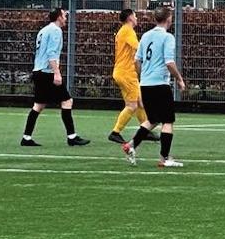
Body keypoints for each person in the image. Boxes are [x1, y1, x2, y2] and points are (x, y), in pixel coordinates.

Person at [122, 7, 186, 167]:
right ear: (169, 19)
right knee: (168, 121)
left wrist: (144, 76)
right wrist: (179, 79)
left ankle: (131, 145)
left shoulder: (145, 36)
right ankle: (165, 158)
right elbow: (169, 62)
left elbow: (137, 61)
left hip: (146, 84)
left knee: (153, 119)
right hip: (160, 84)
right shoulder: (167, 37)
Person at [21, 8, 90, 147]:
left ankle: (26, 137)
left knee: (38, 105)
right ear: (59, 17)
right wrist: (57, 73)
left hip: (38, 71)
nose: (66, 18)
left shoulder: (44, 30)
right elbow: (51, 53)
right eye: (64, 16)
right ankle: (72, 137)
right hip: (47, 72)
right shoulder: (55, 30)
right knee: (67, 101)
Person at [107, 9, 149, 144]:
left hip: (124, 72)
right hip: (126, 73)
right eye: (135, 16)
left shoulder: (124, 31)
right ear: (130, 17)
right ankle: (115, 132)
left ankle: (145, 130)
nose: (137, 18)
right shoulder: (128, 31)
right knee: (132, 105)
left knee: (140, 102)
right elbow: (138, 47)